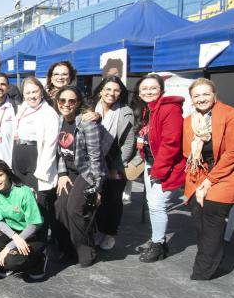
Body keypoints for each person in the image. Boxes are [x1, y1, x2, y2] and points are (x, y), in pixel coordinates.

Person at [183, 79, 234, 280]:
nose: (201, 99)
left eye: (206, 94)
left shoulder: (231, 115)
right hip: (202, 171)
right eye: (197, 96)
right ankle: (213, 254)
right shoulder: (190, 120)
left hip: (230, 172)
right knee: (197, 211)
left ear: (214, 95)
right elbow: (187, 151)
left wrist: (209, 181)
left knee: (212, 209)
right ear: (192, 99)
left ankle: (204, 269)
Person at [131, 74, 185, 262]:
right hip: (151, 164)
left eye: (153, 88)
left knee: (157, 205)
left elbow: (171, 143)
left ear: (161, 90)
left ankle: (158, 245)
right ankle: (157, 241)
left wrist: (158, 171)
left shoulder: (169, 109)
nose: (148, 91)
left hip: (164, 167)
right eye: (144, 89)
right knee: (153, 204)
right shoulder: (148, 109)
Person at [54, 86, 105, 268]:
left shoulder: (86, 124)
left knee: (74, 209)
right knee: (60, 208)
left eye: (71, 101)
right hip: (68, 173)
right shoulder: (58, 120)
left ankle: (85, 249)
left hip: (85, 173)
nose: (66, 104)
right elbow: (59, 153)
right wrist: (61, 174)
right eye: (62, 100)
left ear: (78, 103)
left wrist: (96, 188)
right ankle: (68, 248)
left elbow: (95, 158)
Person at [12, 77, 59, 240]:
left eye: (35, 91)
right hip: (19, 155)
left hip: (36, 159)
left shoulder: (49, 113)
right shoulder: (23, 107)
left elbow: (51, 145)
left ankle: (40, 244)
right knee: (22, 200)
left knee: (38, 205)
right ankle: (25, 240)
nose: (31, 95)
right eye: (27, 92)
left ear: (41, 91)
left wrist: (42, 171)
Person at [91, 77, 134, 251]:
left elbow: (128, 143)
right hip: (94, 161)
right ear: (101, 90)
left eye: (116, 90)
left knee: (113, 201)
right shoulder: (91, 107)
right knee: (96, 199)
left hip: (115, 160)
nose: (111, 93)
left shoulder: (125, 111)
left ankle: (109, 233)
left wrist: (116, 166)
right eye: (108, 89)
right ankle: (98, 231)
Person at [0, 160, 46, 281]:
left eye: (0, 175)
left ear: (7, 174)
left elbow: (33, 225)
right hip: (13, 233)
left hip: (32, 234)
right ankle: (11, 260)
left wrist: (9, 247)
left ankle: (39, 260)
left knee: (11, 261)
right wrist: (14, 237)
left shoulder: (24, 191)